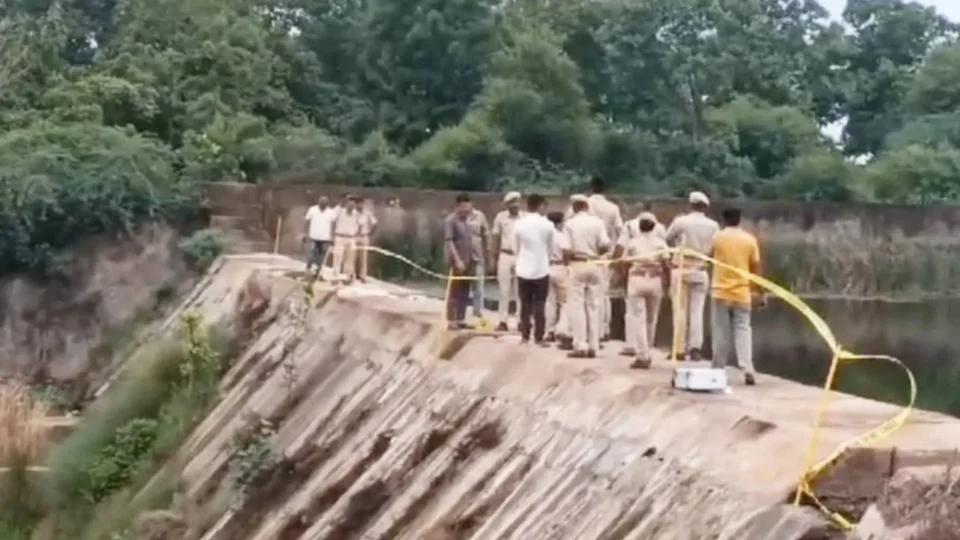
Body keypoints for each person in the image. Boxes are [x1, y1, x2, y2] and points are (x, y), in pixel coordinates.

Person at [711, 207, 763, 386]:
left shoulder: (718, 237)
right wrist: (760, 292)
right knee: (743, 331)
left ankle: (717, 368)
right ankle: (747, 368)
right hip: (742, 293)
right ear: (740, 220)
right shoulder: (750, 239)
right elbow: (756, 268)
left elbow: (708, 257)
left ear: (724, 220)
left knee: (721, 332)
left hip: (720, 292)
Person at [665, 191, 719, 361]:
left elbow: (667, 238)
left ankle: (679, 348)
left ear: (691, 204)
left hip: (681, 267)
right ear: (705, 207)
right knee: (697, 312)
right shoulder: (713, 225)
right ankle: (695, 348)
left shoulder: (681, 221)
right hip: (701, 269)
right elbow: (715, 247)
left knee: (679, 311)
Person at [620, 212, 671, 369]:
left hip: (636, 279)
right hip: (655, 280)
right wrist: (668, 284)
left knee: (638, 318)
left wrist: (624, 282)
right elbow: (667, 266)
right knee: (651, 318)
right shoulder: (661, 243)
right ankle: (647, 349)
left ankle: (643, 355)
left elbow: (624, 263)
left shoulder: (633, 243)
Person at [563, 194, 610, 358]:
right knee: (594, 306)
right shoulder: (598, 222)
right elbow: (606, 245)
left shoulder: (570, 224)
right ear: (587, 206)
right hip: (595, 263)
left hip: (578, 263)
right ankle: (593, 345)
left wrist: (567, 264)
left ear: (574, 207)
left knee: (577, 305)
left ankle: (580, 344)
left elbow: (566, 249)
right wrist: (595, 253)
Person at [512, 194, 554, 345]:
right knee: (540, 304)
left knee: (525, 304)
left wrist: (521, 259)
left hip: (523, 269)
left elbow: (515, 247)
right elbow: (550, 248)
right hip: (541, 269)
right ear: (540, 205)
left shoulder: (519, 224)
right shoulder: (547, 224)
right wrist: (544, 258)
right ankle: (539, 337)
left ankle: (525, 336)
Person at [585, 176, 623, 341]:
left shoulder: (583, 205)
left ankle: (588, 331)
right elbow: (620, 230)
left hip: (585, 254)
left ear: (590, 187)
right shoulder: (613, 208)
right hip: (606, 254)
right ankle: (604, 330)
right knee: (603, 294)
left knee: (584, 296)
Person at [491, 191, 525, 331]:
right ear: (507, 204)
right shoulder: (501, 217)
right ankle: (502, 320)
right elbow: (496, 237)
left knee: (520, 291)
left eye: (517, 202)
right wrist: (493, 257)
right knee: (504, 290)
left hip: (520, 255)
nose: (515, 205)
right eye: (512, 203)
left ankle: (520, 320)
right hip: (505, 254)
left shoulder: (525, 217)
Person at [444, 194, 478, 330]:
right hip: (456, 261)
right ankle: (452, 319)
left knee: (465, 290)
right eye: (464, 208)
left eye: (468, 208)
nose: (466, 211)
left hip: (468, 260)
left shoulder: (467, 221)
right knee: (454, 291)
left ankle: (460, 318)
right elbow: (449, 241)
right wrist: (457, 260)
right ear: (457, 207)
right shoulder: (451, 221)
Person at [545, 211, 570, 345]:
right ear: (559, 223)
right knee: (564, 301)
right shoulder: (561, 236)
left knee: (550, 302)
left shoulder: (545, 237)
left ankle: (549, 330)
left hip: (547, 267)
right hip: (560, 267)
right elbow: (566, 253)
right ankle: (562, 329)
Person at [466, 206, 490, 321]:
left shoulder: (480, 216)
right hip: (463, 257)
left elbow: (486, 234)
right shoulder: (457, 216)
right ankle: (458, 315)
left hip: (478, 256)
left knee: (478, 287)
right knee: (461, 287)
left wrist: (488, 252)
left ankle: (478, 312)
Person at [302, 195, 336, 276]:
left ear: (327, 203)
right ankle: (308, 268)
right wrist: (305, 234)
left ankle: (318, 270)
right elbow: (307, 222)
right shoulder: (312, 209)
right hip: (313, 236)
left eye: (325, 202)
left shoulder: (331, 212)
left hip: (325, 237)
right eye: (321, 202)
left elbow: (333, 225)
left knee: (322, 255)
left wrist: (332, 237)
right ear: (318, 202)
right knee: (312, 252)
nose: (323, 204)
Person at [331, 195, 361, 283]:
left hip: (351, 238)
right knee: (338, 257)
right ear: (346, 204)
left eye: (353, 204)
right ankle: (335, 277)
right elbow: (332, 221)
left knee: (350, 259)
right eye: (349, 203)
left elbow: (359, 225)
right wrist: (332, 235)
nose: (351, 206)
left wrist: (356, 235)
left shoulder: (356, 214)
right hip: (340, 237)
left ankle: (346, 277)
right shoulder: (339, 211)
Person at [356, 196, 378, 282]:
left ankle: (363, 275)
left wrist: (370, 233)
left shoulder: (367, 213)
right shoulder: (353, 212)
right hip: (354, 236)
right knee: (353, 257)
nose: (360, 205)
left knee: (363, 257)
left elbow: (375, 223)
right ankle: (352, 275)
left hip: (364, 236)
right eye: (358, 203)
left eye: (361, 203)